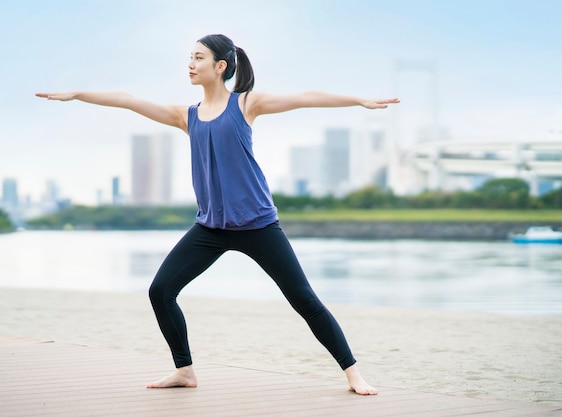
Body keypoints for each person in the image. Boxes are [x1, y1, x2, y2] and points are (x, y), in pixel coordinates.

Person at [36, 33, 399, 395]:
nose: (190, 64)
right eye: (189, 58)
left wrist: (358, 101)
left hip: (258, 225)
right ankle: (185, 371)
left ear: (220, 66)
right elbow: (129, 101)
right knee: (161, 291)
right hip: (210, 227)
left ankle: (353, 375)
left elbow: (306, 98)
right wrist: (77, 95)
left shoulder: (245, 105)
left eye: (198, 58)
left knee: (303, 299)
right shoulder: (186, 115)